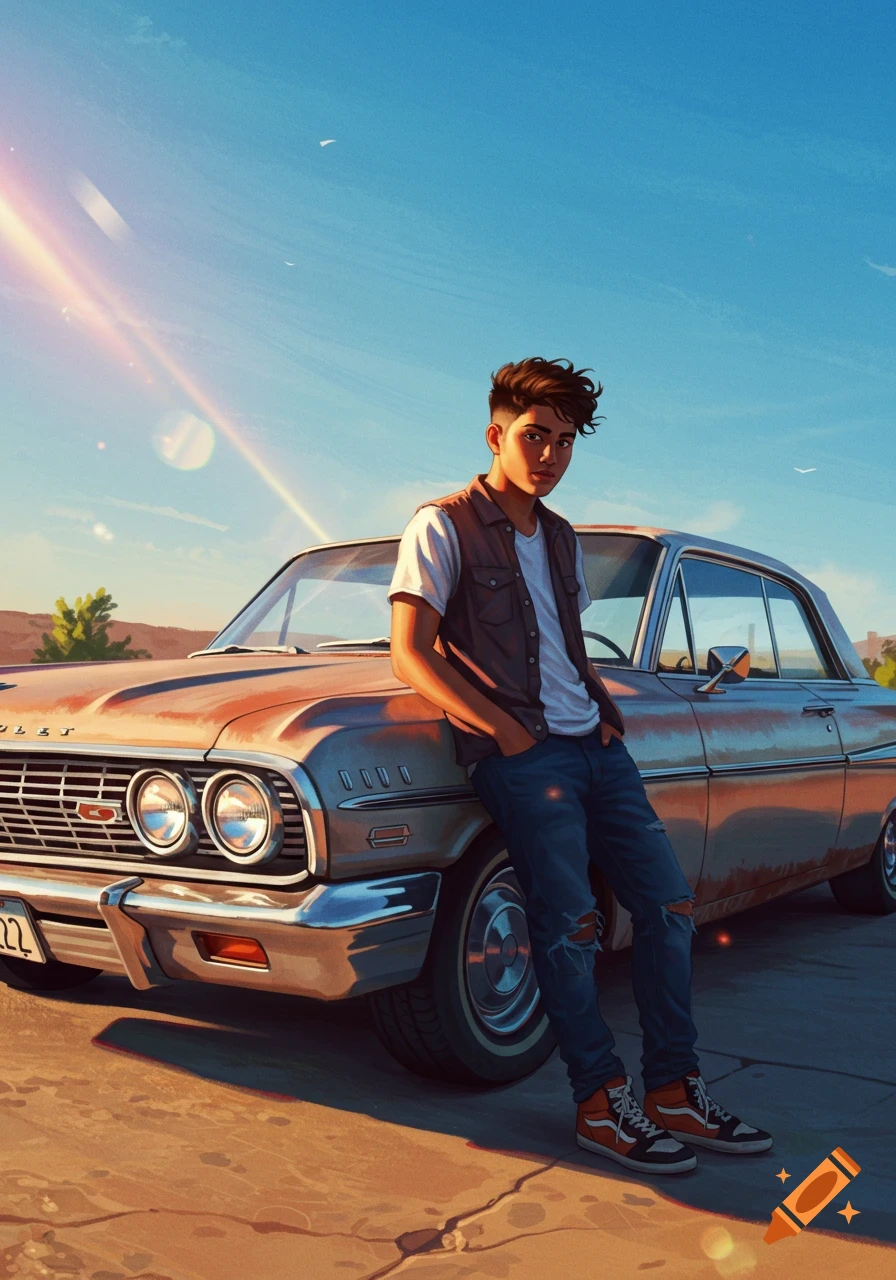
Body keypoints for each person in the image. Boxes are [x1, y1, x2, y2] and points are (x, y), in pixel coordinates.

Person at [388, 356, 773, 1174]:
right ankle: (600, 1105)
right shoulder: (443, 523)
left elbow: (561, 639)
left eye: (565, 442)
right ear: (496, 434)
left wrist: (601, 702)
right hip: (523, 758)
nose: (551, 456)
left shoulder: (561, 537)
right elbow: (410, 654)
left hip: (594, 747)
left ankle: (673, 1089)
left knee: (669, 909)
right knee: (569, 928)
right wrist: (508, 735)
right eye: (535, 437)